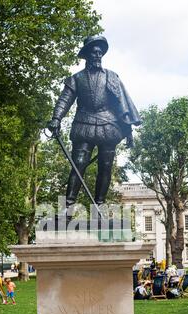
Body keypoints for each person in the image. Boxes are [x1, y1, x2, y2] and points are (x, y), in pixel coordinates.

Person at [48, 35, 141, 211]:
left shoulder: (112, 77)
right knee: (78, 165)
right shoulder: (77, 78)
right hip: (84, 125)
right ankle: (68, 208)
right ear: (87, 55)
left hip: (108, 126)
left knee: (105, 168)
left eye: (100, 53)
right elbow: (64, 100)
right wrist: (56, 118)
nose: (98, 56)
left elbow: (122, 105)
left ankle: (100, 206)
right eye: (94, 52)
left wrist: (128, 130)